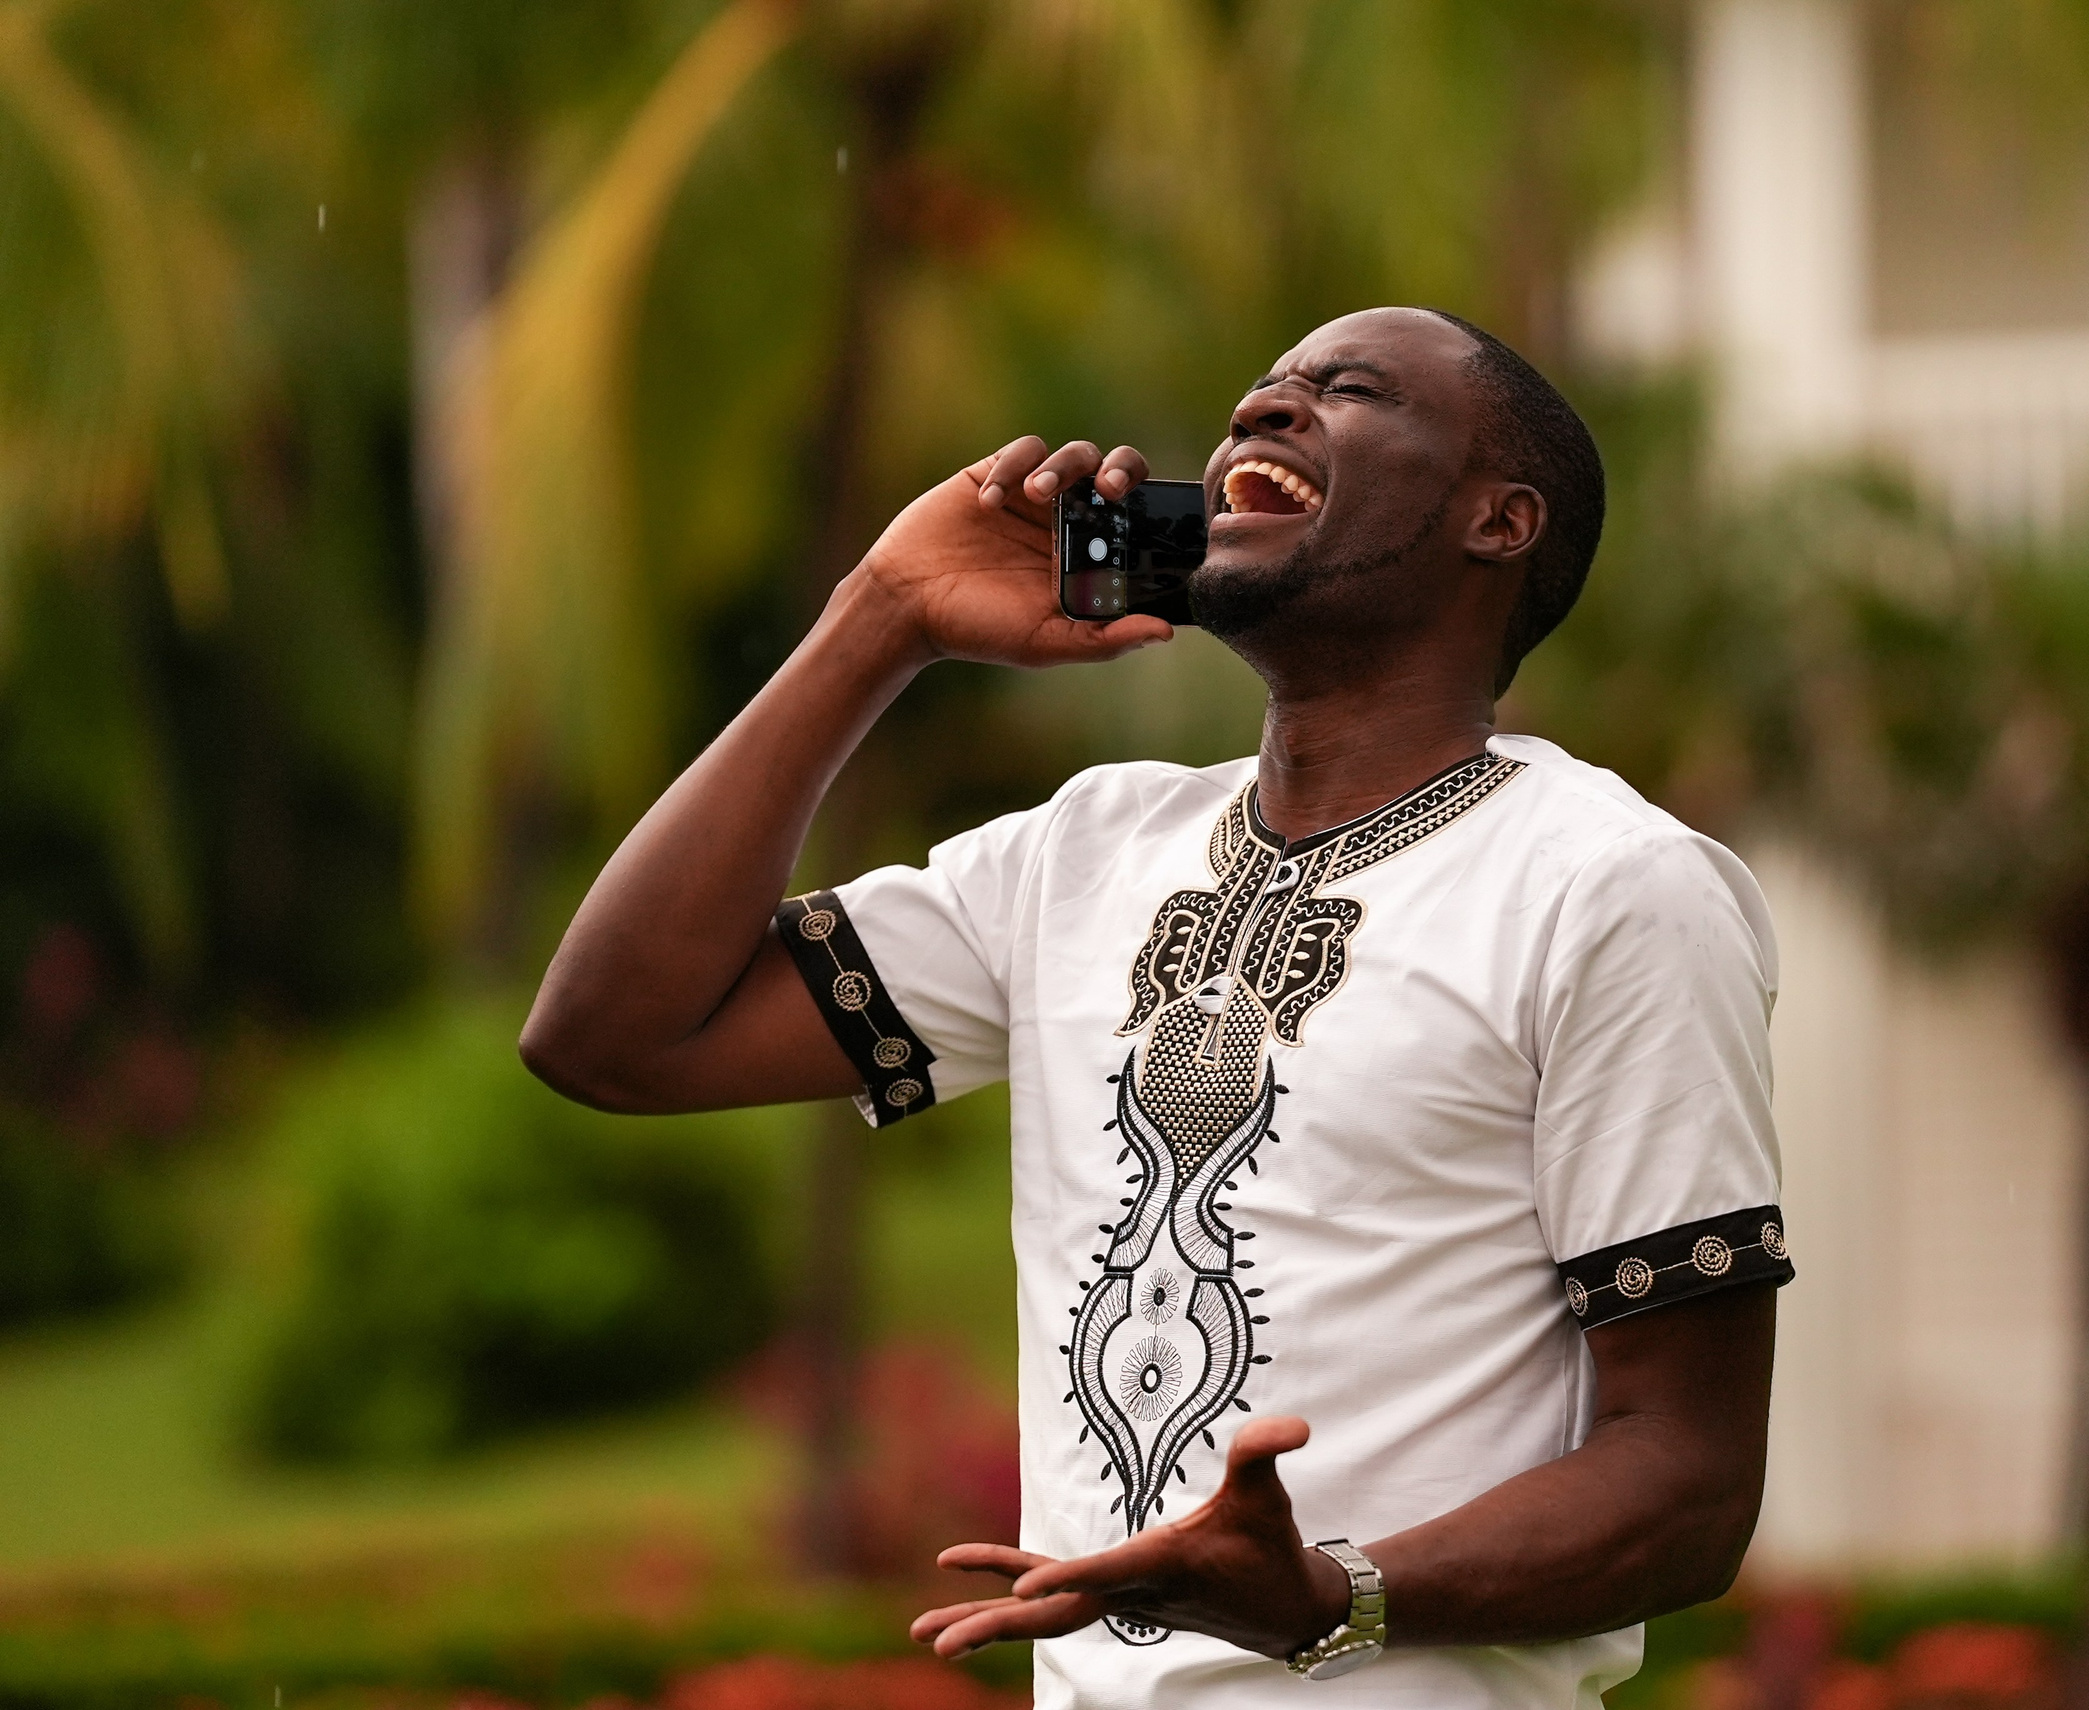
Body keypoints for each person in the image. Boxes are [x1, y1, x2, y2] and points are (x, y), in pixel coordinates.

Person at [522, 306, 1788, 1708]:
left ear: (1499, 521)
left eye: (1349, 391)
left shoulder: (1611, 887)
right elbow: (616, 1033)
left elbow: (1688, 1476)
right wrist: (881, 616)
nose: (1266, 409)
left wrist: (1333, 1595)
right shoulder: (1082, 852)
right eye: (1261, 393)